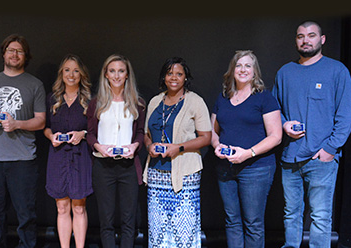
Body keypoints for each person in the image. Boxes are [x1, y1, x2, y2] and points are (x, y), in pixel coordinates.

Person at [272, 20, 351, 248]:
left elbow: (345, 116)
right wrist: (285, 125)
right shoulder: (285, 72)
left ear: (322, 39)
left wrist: (330, 149)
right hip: (290, 157)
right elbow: (273, 110)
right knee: (291, 214)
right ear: (296, 40)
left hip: (322, 158)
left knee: (321, 216)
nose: (306, 40)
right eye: (301, 36)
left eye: (311, 35)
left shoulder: (337, 71)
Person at [0, 34, 46, 248]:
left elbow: (41, 121)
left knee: (26, 214)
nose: (15, 54)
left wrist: (17, 124)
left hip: (23, 160)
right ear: (4, 53)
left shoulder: (35, 85)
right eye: (11, 50)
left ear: (26, 56)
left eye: (19, 51)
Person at [210, 50, 282, 248]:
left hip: (256, 169)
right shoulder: (223, 98)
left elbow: (276, 136)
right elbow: (213, 132)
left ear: (254, 71)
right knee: (231, 221)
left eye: (248, 66)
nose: (243, 70)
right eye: (239, 65)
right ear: (232, 70)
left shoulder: (264, 98)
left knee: (253, 224)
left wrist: (247, 153)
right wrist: (217, 146)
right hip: (225, 167)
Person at [142, 57, 212, 247]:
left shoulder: (195, 101)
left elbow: (206, 137)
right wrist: (149, 146)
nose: (174, 77)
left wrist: (178, 148)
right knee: (158, 232)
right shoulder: (155, 101)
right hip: (157, 174)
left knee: (184, 232)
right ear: (164, 77)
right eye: (170, 73)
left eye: (179, 74)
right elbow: (146, 134)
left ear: (185, 78)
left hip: (185, 174)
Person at [86, 54, 145, 248]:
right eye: (112, 71)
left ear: (127, 75)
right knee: (107, 220)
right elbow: (90, 134)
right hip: (103, 166)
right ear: (106, 74)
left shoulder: (137, 103)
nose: (117, 75)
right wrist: (99, 146)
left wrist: (135, 146)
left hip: (128, 166)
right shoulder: (96, 103)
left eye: (121, 71)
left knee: (129, 220)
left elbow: (139, 133)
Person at [44, 54, 93, 248]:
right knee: (62, 206)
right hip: (57, 157)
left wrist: (82, 133)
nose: (71, 75)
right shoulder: (52, 99)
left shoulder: (90, 100)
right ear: (61, 73)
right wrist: (51, 137)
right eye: (67, 70)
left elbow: (97, 130)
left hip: (81, 157)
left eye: (75, 70)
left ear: (82, 74)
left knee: (79, 207)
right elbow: (46, 127)